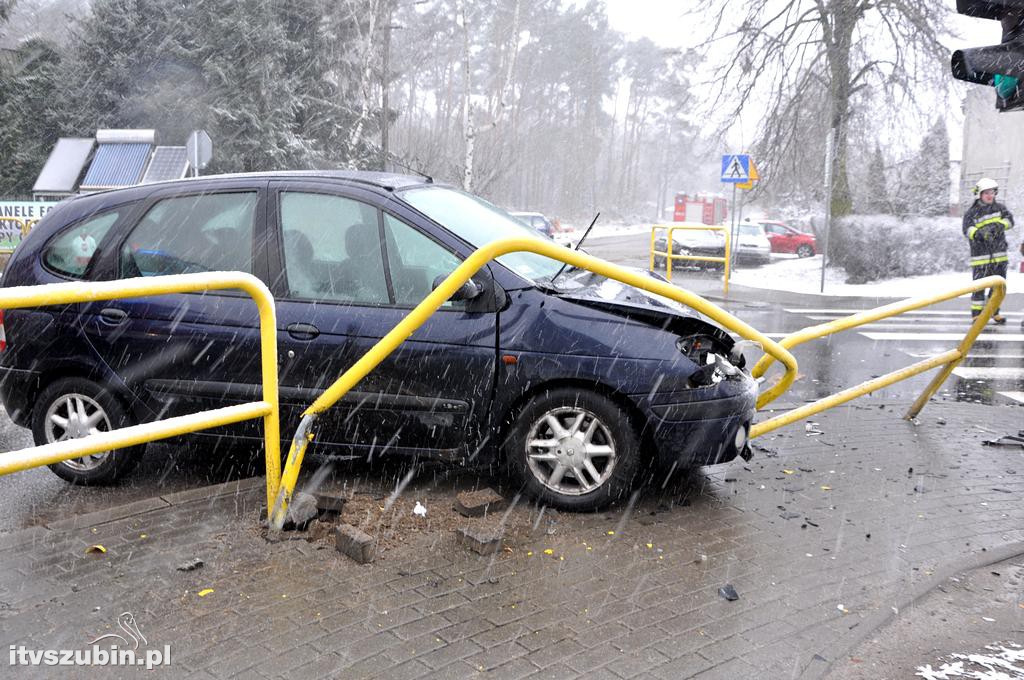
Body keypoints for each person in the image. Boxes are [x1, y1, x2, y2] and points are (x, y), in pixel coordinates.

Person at [962, 178, 1014, 324]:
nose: (990, 195)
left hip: (1000, 257)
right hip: (981, 258)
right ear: (979, 194)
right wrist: (979, 234)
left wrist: (999, 225)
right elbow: (967, 230)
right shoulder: (971, 213)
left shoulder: (1000, 208)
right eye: (986, 193)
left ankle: (993, 312)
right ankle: (977, 315)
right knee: (979, 287)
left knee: (998, 288)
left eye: (992, 192)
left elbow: (1010, 221)